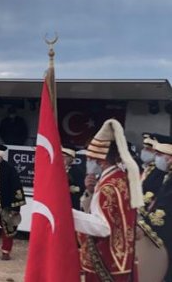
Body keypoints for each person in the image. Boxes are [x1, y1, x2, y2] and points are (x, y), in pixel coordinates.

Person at [72, 119, 142, 282]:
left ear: (100, 160)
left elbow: (103, 227)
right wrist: (90, 191)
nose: (87, 162)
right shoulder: (122, 178)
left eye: (90, 158)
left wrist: (67, 214)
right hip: (123, 257)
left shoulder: (108, 186)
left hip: (105, 258)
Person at [137, 134, 172, 282]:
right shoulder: (165, 175)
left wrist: (145, 226)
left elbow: (163, 210)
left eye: (159, 155)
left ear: (169, 158)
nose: (156, 157)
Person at [140, 132, 166, 210]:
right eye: (144, 148)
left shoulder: (162, 170)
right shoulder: (141, 165)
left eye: (148, 149)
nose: (144, 151)